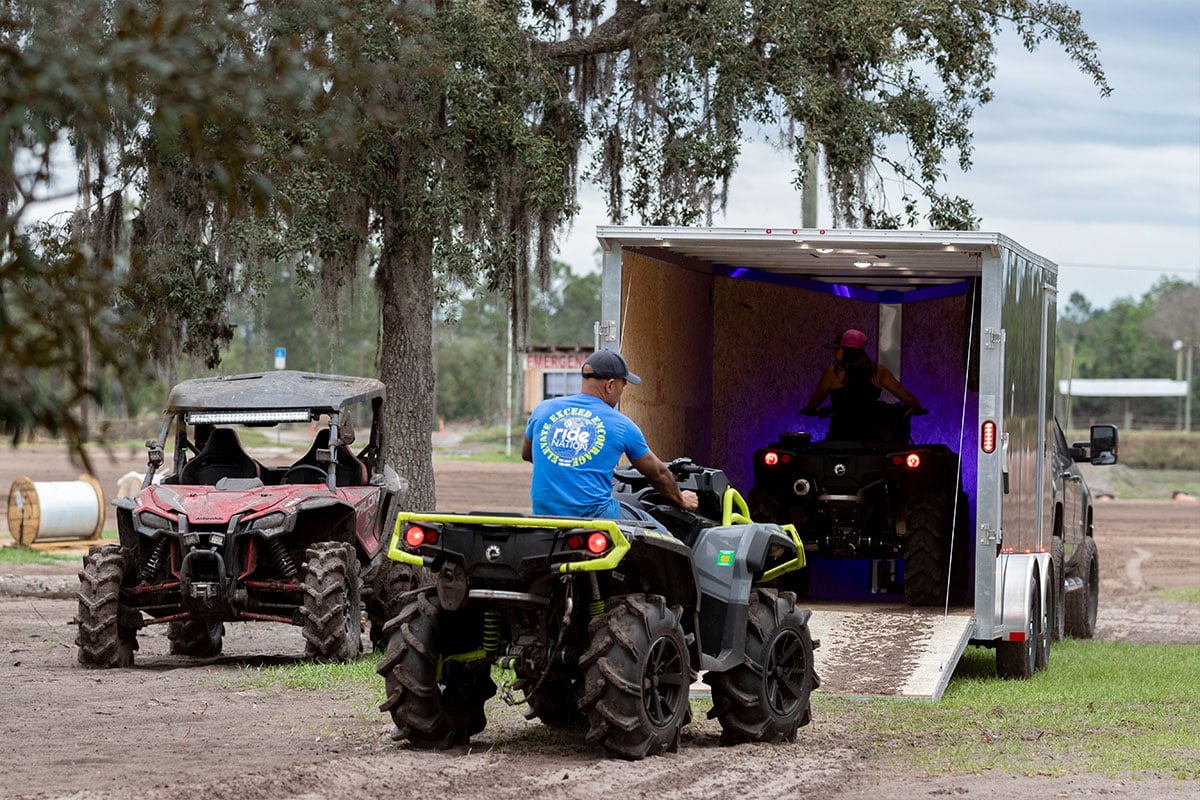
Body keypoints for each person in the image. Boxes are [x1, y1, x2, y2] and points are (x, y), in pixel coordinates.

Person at [522, 350, 698, 521]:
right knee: (664, 536)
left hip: (545, 515)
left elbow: (528, 454)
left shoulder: (543, 409)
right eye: (623, 385)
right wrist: (682, 499)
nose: (622, 391)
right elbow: (658, 473)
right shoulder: (622, 425)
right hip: (597, 517)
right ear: (610, 385)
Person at [802, 328, 926, 441]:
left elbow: (815, 401)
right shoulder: (878, 371)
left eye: (836, 349)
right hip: (871, 437)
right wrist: (916, 408)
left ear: (845, 350)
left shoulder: (833, 372)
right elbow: (907, 396)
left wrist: (811, 408)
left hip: (840, 436)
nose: (833, 353)